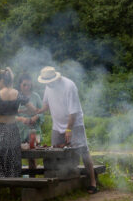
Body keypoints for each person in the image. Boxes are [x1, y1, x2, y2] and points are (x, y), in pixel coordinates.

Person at [36, 65, 99, 193]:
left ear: (55, 78)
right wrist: (37, 111)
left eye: (49, 82)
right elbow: (46, 104)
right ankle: (59, 182)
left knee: (83, 152)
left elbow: (73, 112)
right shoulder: (48, 86)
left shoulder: (69, 86)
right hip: (57, 125)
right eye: (46, 82)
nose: (48, 84)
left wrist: (69, 129)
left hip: (75, 124)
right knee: (54, 153)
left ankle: (93, 183)